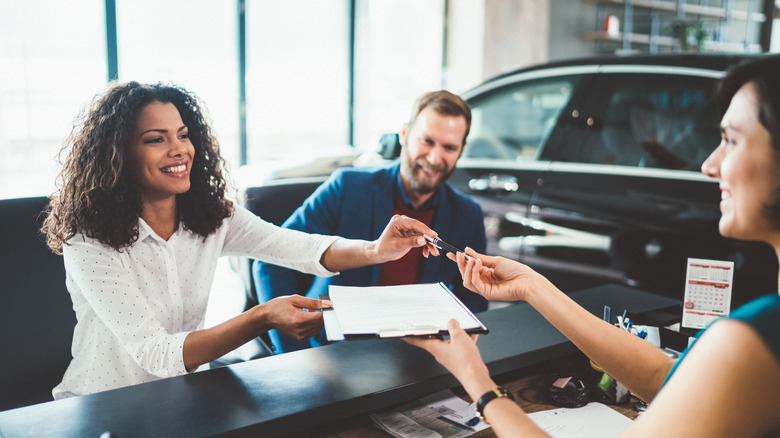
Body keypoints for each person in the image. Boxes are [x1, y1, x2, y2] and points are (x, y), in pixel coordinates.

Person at [405, 55, 780, 437]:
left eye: (731, 140)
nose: (709, 164)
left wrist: (478, 383)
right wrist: (532, 286)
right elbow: (663, 375)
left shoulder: (755, 339)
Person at [42, 81, 441, 399]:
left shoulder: (211, 216)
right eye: (156, 139)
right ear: (119, 154)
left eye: (182, 135)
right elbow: (156, 353)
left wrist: (376, 249)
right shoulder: (88, 239)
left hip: (176, 397)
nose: (179, 149)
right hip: (101, 404)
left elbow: (297, 247)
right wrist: (261, 317)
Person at [253, 90, 487, 353]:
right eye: (427, 141)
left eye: (449, 147)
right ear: (404, 135)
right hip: (332, 349)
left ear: (461, 150)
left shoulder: (468, 213)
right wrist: (293, 353)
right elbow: (271, 261)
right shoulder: (347, 188)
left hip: (417, 355)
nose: (434, 158)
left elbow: (473, 297)